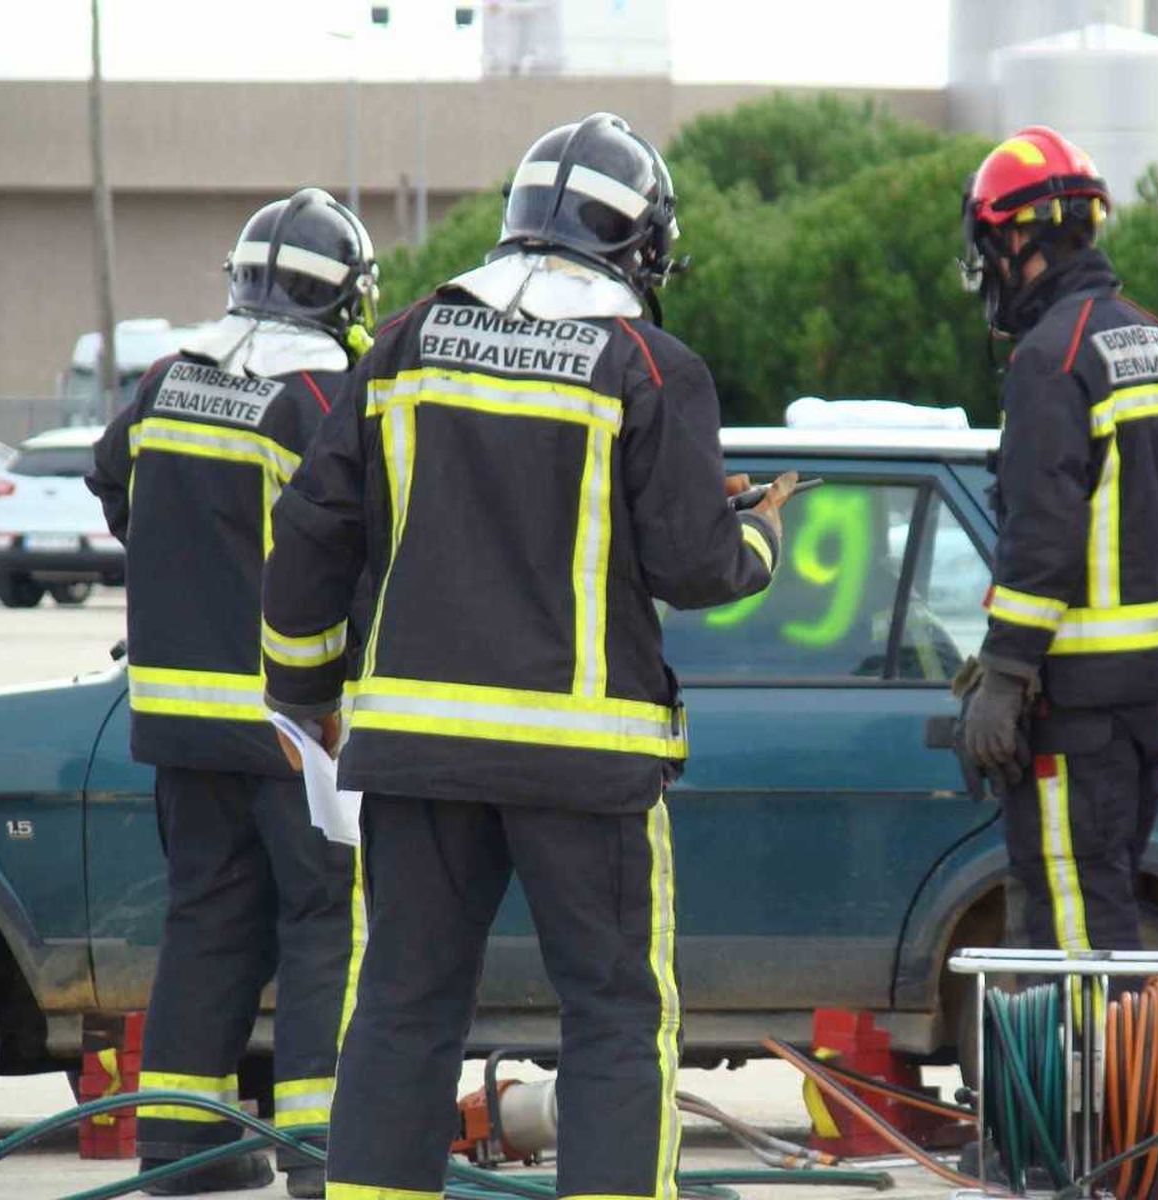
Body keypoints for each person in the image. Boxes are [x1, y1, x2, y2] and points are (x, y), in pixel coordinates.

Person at [259, 112, 793, 1200]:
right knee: (614, 1016)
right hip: (582, 768)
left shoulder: (404, 339)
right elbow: (694, 565)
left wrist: (302, 694)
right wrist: (758, 536)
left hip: (415, 762)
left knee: (403, 1007)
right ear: (640, 247)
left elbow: (312, 533)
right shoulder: (649, 363)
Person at [87, 188, 379, 1197]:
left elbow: (109, 476)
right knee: (319, 922)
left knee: (204, 919)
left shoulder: (170, 377)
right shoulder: (318, 397)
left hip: (176, 719)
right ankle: (321, 1147)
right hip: (293, 722)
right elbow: (356, 540)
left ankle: (179, 1145)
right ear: (340, 296)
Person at [954, 127, 1158, 956]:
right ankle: (1109, 1082)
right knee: (1104, 899)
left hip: (1076, 704)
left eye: (991, 245)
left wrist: (1006, 674)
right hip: (1149, 693)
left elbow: (1044, 534)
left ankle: (1095, 1089)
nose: (989, 266)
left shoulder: (1050, 360)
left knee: (1073, 933)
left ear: (1021, 238)